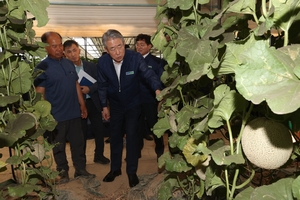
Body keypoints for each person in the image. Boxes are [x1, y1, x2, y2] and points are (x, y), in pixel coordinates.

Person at [97, 29, 162, 188]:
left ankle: (131, 172)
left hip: (133, 104)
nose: (118, 52)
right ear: (106, 50)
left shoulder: (135, 58)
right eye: (112, 49)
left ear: (124, 44)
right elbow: (102, 85)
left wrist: (157, 89)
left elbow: (148, 74)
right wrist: (104, 105)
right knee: (115, 137)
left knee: (132, 137)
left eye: (120, 46)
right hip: (116, 105)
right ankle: (115, 169)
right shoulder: (103, 63)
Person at [34, 31, 95, 184]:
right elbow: (40, 94)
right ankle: (63, 173)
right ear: (45, 47)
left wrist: (82, 105)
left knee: (78, 144)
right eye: (54, 46)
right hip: (55, 116)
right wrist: (43, 116)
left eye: (60, 44)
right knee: (58, 147)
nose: (59, 48)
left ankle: (80, 169)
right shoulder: (42, 67)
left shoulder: (68, 63)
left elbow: (76, 84)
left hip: (74, 113)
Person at [63, 39, 110, 165]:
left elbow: (100, 82)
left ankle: (99, 155)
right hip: (77, 105)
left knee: (99, 130)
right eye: (69, 52)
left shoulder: (90, 66)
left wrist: (90, 88)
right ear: (65, 54)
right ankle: (81, 161)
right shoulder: (65, 69)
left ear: (79, 50)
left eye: (74, 50)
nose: (73, 54)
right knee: (81, 134)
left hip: (93, 101)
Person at [135, 33, 165, 161]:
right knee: (136, 126)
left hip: (151, 100)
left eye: (142, 44)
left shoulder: (157, 62)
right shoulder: (132, 61)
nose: (139, 47)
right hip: (135, 100)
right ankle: (136, 151)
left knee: (155, 127)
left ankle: (159, 151)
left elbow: (162, 80)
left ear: (150, 46)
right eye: (137, 44)